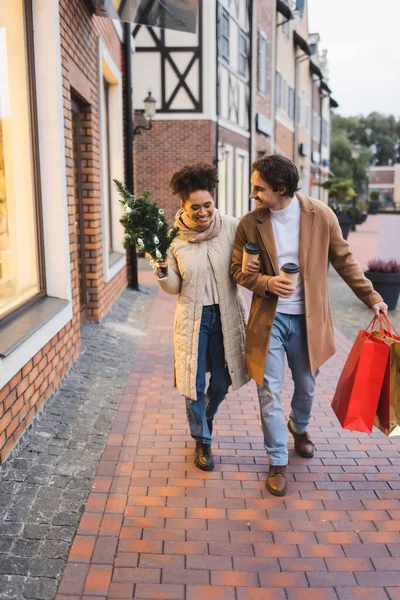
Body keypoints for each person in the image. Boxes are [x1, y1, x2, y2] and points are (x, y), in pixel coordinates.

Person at [230, 154, 388, 496]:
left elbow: (345, 260)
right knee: (269, 392)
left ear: (281, 189)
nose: (253, 193)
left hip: (308, 321)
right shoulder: (250, 223)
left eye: (259, 188)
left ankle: (298, 427)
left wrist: (372, 298)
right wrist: (267, 284)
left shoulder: (321, 215)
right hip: (268, 320)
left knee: (307, 387)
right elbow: (238, 270)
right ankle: (276, 461)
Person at [154, 163, 254, 471]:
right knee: (193, 384)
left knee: (223, 382)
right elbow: (174, 287)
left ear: (214, 200)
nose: (203, 212)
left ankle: (205, 416)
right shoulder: (173, 239)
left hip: (226, 316)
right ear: (183, 205)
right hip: (193, 318)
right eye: (195, 207)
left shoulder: (232, 227)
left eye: (207, 205)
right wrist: (161, 270)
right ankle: (203, 440)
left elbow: (242, 268)